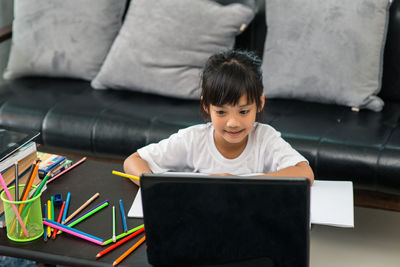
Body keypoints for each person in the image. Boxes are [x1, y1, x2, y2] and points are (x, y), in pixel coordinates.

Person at [124, 50, 314, 186]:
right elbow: (133, 161)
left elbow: (305, 173)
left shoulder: (265, 138)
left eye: (244, 111)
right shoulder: (193, 139)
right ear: (206, 106)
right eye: (221, 112)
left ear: (260, 103)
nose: (233, 123)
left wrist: (238, 183)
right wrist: (157, 188)